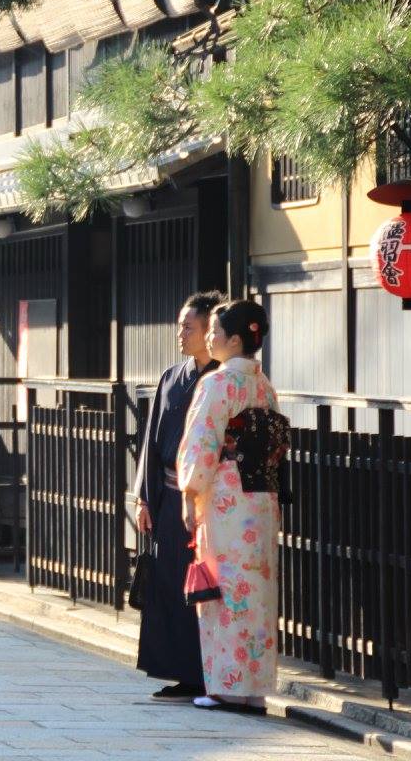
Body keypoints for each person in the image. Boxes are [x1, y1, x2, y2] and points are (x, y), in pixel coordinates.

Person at [177, 299, 281, 713]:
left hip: (224, 498)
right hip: (260, 496)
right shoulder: (263, 386)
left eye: (214, 332)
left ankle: (225, 685)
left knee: (222, 590)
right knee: (256, 591)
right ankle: (254, 688)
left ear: (235, 340)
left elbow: (202, 442)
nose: (208, 338)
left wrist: (190, 492)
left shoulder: (217, 384)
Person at [132, 290, 223, 701]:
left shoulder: (221, 380)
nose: (180, 333)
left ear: (210, 332)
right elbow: (151, 438)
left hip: (207, 500)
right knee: (170, 585)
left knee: (205, 587)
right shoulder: (173, 376)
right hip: (169, 497)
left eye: (188, 326)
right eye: (180, 325)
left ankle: (207, 673)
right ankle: (179, 671)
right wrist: (143, 498)